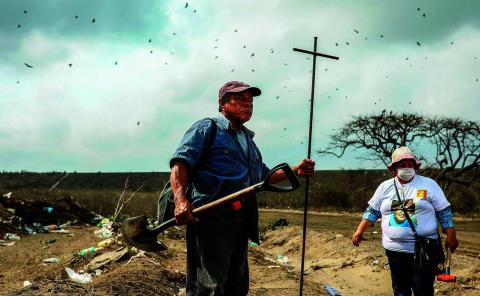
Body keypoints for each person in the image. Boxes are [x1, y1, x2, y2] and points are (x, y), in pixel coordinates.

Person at [169, 80, 315, 296]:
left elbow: (263, 176)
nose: (248, 104)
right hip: (210, 217)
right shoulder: (207, 128)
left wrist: (295, 170)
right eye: (240, 99)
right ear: (223, 104)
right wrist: (181, 200)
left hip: (240, 220)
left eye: (250, 101)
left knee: (236, 285)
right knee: (209, 286)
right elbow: (180, 164)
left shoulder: (248, 139)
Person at [352, 146, 458, 296]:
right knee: (400, 291)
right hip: (394, 251)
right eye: (402, 165)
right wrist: (359, 230)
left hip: (423, 250)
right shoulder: (385, 187)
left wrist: (451, 235)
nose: (407, 168)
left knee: (423, 290)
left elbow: (444, 212)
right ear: (394, 169)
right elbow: (373, 211)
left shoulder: (428, 184)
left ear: (416, 166)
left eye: (410, 164)